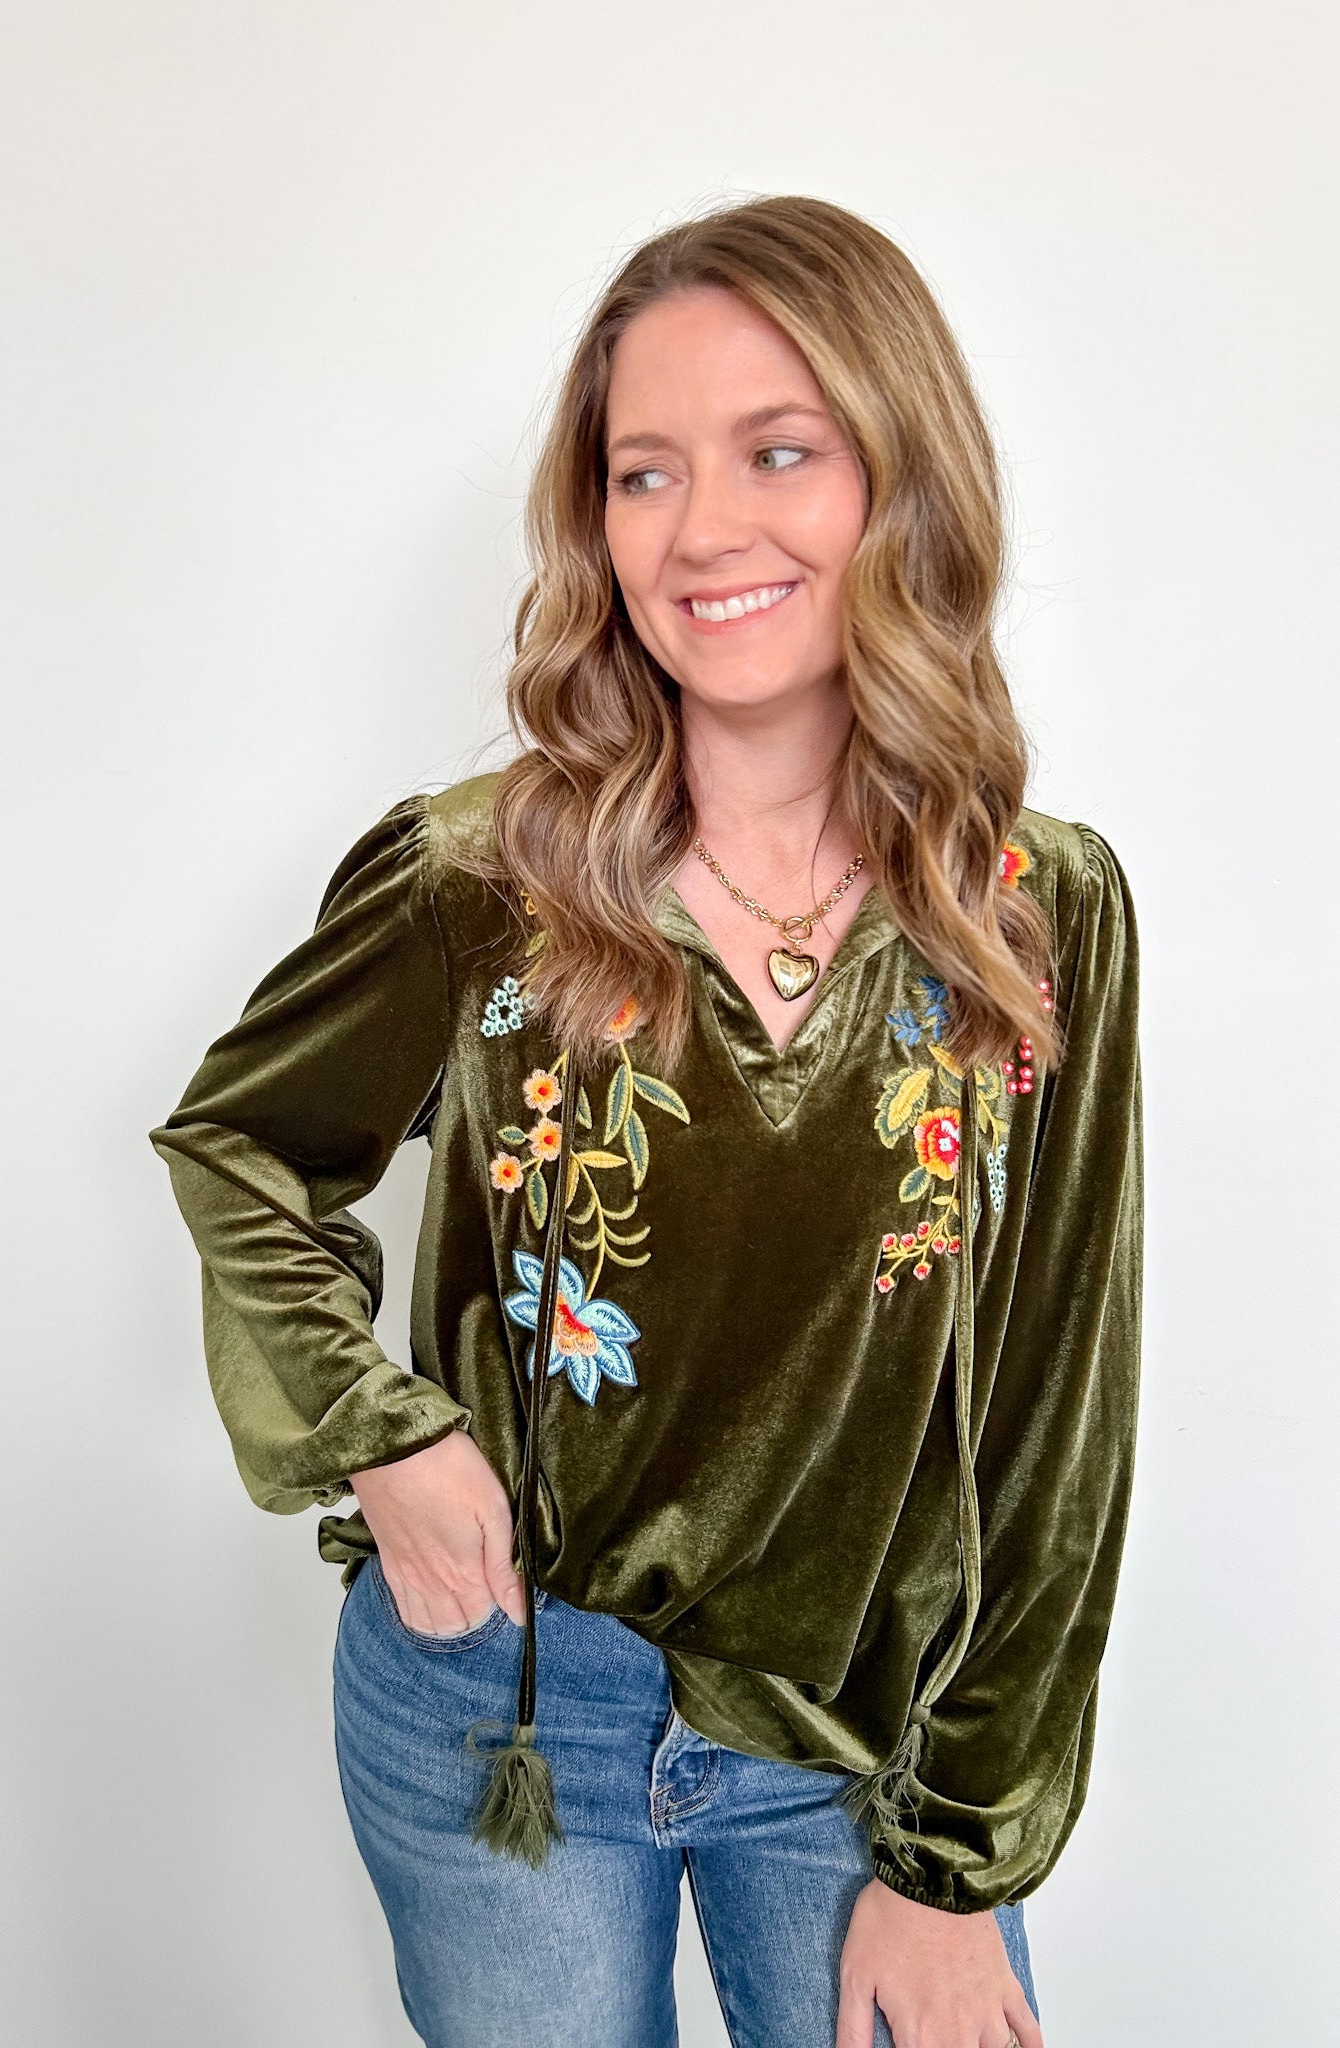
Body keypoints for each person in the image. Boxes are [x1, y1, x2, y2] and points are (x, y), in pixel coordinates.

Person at [149, 194, 1143, 2048]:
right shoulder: (479, 877)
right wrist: (381, 1433)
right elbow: (242, 1148)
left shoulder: (1034, 911)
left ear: (897, 480)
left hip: (859, 1736)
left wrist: (959, 1865)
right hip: (503, 1705)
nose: (702, 531)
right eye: (642, 472)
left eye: (781, 452)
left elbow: (1050, 1421)